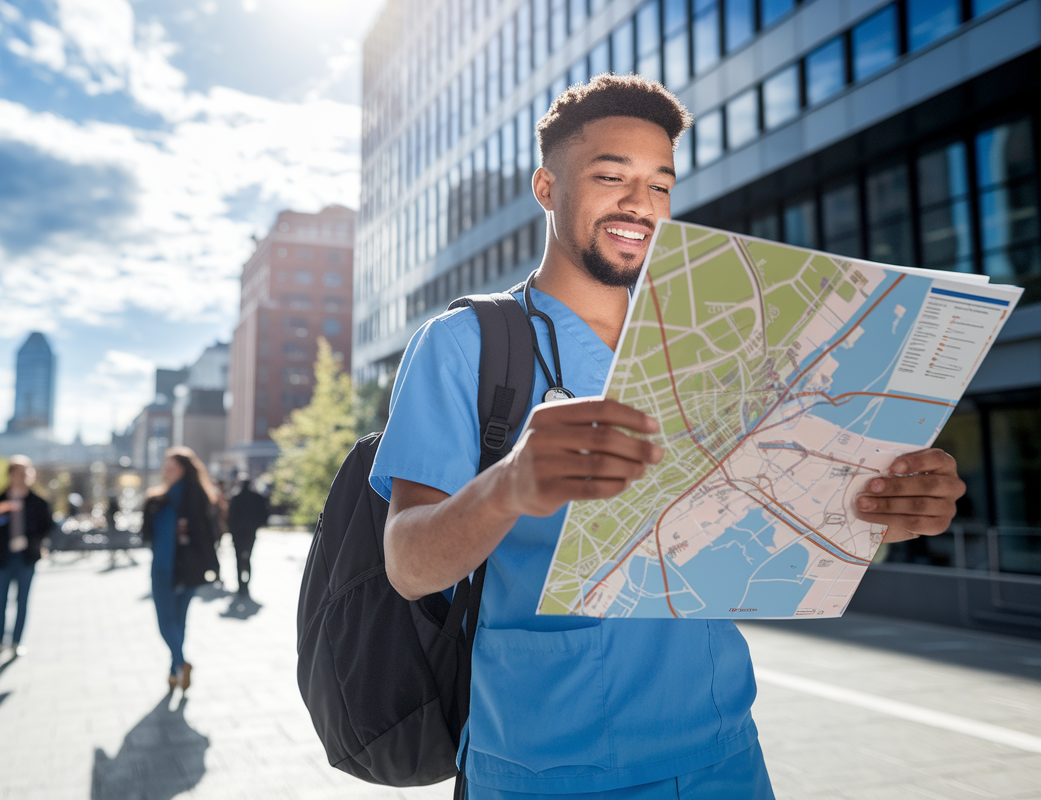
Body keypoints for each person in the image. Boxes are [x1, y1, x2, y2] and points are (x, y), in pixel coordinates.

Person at [371, 74, 967, 799]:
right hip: (545, 766)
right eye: (611, 176)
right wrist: (511, 482)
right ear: (547, 188)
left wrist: (885, 504)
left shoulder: (715, 343)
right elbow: (407, 563)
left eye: (660, 184)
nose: (639, 204)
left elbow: (770, 519)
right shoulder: (464, 344)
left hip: (725, 753)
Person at [140, 447, 221, 691]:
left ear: (184, 469)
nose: (166, 470)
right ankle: (178, 667)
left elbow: (209, 534)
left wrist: (212, 567)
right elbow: (146, 535)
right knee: (171, 622)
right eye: (165, 466)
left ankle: (177, 665)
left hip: (184, 569)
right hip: (166, 568)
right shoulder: (157, 498)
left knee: (173, 622)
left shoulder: (197, 497)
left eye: (171, 466)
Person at [0, 455, 54, 659]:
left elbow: (47, 527)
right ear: (10, 474)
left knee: (22, 602)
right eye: (17, 472)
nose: (21, 476)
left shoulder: (38, 502)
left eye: (25, 472)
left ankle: (17, 641)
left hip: (26, 558)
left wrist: (34, 539)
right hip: (2, 558)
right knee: (0, 601)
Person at [226, 476, 269, 596]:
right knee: (247, 557)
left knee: (239, 558)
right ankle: (244, 584)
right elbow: (264, 513)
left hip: (239, 533)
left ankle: (242, 585)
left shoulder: (236, 498)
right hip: (250, 531)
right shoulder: (256, 497)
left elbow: (230, 517)